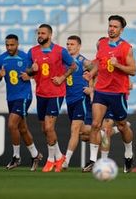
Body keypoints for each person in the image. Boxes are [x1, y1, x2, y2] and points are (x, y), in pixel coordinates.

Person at [82, 15, 136, 173]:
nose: (111, 29)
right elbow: (99, 62)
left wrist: (117, 64)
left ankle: (128, 154)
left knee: (122, 125)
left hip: (118, 92)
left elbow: (133, 70)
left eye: (115, 27)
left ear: (121, 30)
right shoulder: (102, 43)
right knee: (95, 125)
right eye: (110, 26)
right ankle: (93, 160)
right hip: (101, 90)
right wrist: (91, 74)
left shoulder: (126, 47)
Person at [26, 24, 76, 172]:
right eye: (38, 33)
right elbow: (28, 71)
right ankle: (60, 156)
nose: (40, 35)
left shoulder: (60, 51)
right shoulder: (32, 51)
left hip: (56, 93)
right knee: (45, 129)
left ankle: (50, 160)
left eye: (43, 33)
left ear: (50, 35)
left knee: (49, 127)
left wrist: (62, 77)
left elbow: (73, 66)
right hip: (41, 93)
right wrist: (32, 70)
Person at [0, 34, 43, 171]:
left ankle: (16, 157)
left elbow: (34, 71)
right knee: (22, 128)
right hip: (11, 97)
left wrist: (30, 75)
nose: (9, 47)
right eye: (7, 45)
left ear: (17, 44)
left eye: (12, 45)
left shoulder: (25, 57)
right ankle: (35, 155)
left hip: (24, 96)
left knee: (11, 124)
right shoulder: (1, 58)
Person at [62, 35, 93, 170]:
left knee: (74, 130)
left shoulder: (84, 61)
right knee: (82, 133)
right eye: (68, 44)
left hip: (81, 98)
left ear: (79, 46)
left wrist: (91, 88)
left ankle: (65, 161)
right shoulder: (64, 61)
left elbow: (99, 72)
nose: (69, 46)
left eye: (72, 44)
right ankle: (103, 131)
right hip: (69, 100)